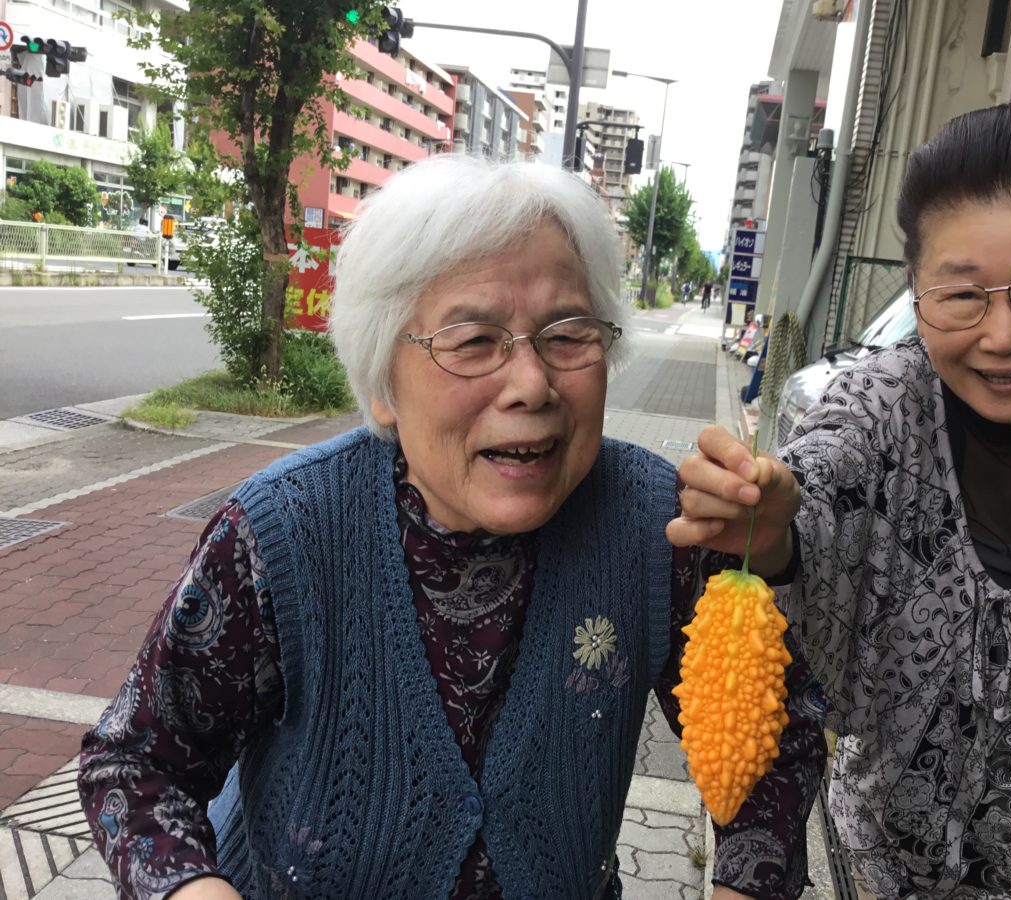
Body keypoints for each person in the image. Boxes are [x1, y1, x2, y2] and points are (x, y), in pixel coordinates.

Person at [78, 155, 828, 900]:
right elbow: (137, 764)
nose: (531, 384)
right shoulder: (282, 534)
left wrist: (769, 551)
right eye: (472, 341)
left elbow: (776, 745)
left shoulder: (656, 525)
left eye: (568, 334)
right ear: (381, 386)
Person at [669, 104, 1011, 899]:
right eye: (960, 296)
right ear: (918, 295)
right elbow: (818, 490)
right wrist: (772, 523)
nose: (1002, 334)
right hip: (886, 874)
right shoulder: (879, 407)